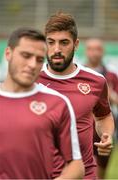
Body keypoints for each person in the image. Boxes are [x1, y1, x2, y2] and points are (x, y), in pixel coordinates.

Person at [0, 28, 84, 179]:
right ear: (8, 54)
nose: (32, 65)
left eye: (39, 59)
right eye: (26, 56)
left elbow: (76, 165)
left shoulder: (58, 103)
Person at [38, 12, 115, 179]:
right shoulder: (31, 79)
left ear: (76, 44)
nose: (56, 49)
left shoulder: (95, 81)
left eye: (64, 42)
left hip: (84, 174)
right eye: (51, 42)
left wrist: (106, 134)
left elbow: (103, 116)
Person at [85, 38, 118, 178]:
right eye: (91, 49)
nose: (94, 53)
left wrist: (109, 94)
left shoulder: (111, 76)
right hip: (84, 129)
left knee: (102, 172)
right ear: (86, 51)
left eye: (98, 49)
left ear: (102, 52)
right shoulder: (78, 74)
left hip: (105, 130)